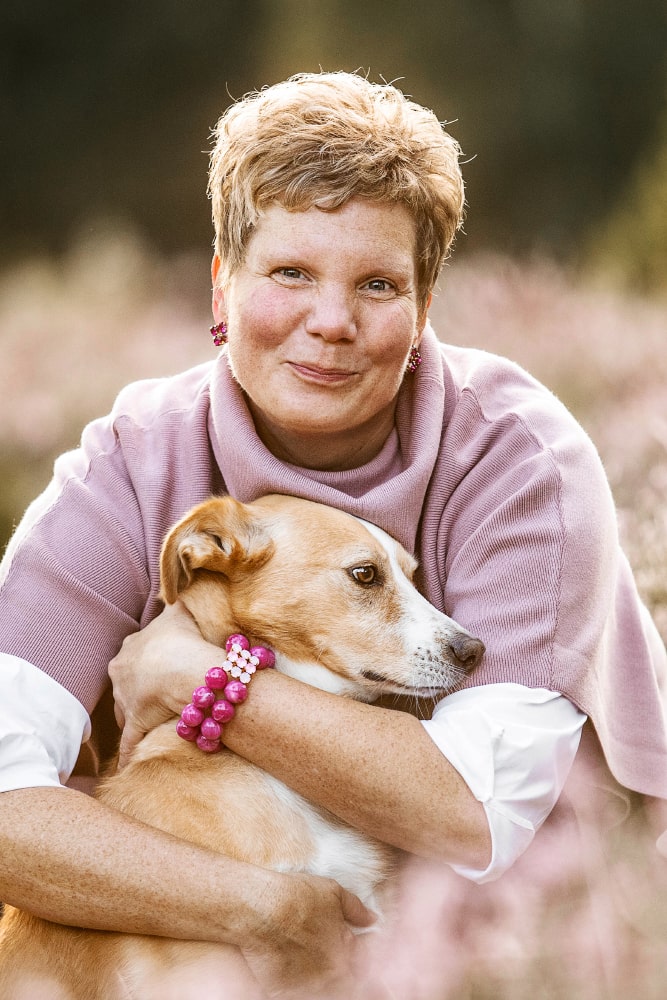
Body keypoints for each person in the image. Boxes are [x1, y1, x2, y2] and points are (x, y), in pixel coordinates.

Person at [0, 70, 665, 998]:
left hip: (530, 944)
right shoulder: (133, 464)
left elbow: (472, 814)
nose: (331, 323)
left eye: (379, 284)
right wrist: (264, 909)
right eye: (290, 273)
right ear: (223, 285)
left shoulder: (522, 460)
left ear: (425, 307)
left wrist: (206, 678)